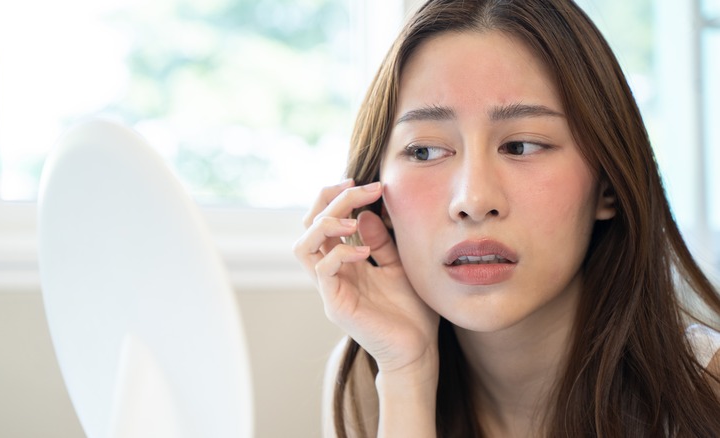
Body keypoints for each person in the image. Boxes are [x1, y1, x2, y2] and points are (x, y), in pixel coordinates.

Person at [293, 0, 720, 436]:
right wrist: (408, 374)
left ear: (607, 185)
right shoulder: (371, 381)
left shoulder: (708, 393)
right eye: (424, 151)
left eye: (521, 146)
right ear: (379, 200)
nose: (474, 200)